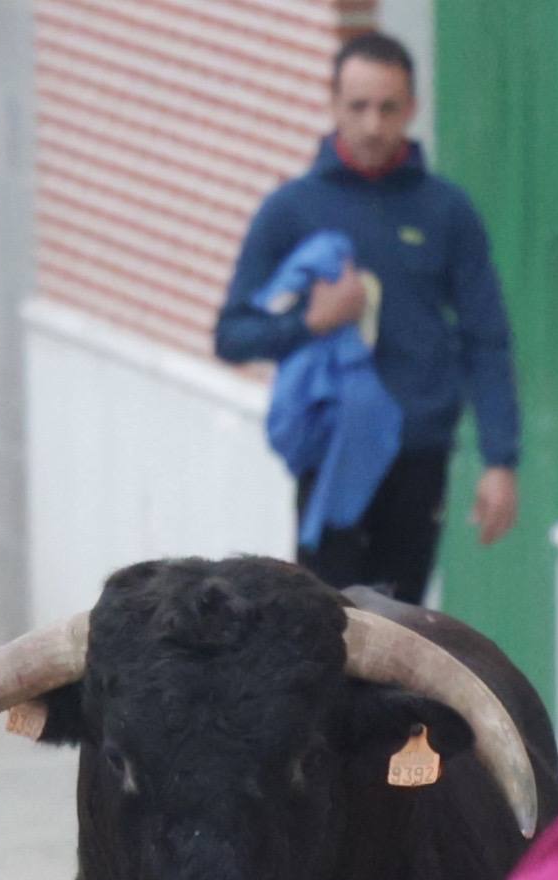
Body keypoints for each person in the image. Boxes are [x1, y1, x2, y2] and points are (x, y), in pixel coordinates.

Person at [216, 31, 518, 605]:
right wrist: (312, 322)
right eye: (358, 107)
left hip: (419, 455)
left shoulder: (447, 211)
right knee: (325, 634)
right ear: (332, 107)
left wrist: (500, 460)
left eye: (389, 108)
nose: (374, 125)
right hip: (331, 457)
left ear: (413, 109)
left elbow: (487, 339)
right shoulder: (291, 209)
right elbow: (232, 334)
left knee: (403, 642)